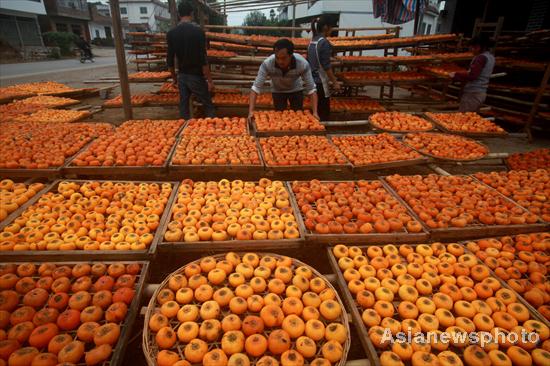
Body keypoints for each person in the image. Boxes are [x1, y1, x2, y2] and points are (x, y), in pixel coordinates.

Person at [166, 1, 215, 119]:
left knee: (184, 106)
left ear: (179, 14)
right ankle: (214, 129)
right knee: (207, 104)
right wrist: (209, 81)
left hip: (182, 76)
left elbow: (170, 59)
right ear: (192, 14)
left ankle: (185, 130)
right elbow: (203, 59)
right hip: (196, 76)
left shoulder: (171, 33)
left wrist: (174, 79)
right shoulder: (198, 32)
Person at [249, 38, 318, 119]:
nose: (280, 61)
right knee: (280, 117)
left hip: (296, 89)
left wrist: (315, 112)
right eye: (277, 58)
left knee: (297, 117)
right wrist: (251, 112)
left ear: (291, 55)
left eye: (284, 58)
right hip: (278, 90)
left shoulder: (302, 64)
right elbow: (255, 88)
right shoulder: (267, 64)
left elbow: (311, 89)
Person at [307, 15, 342, 121]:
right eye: (331, 28)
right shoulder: (324, 43)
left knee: (315, 110)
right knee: (323, 112)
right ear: (326, 27)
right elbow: (327, 66)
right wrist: (335, 82)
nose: (332, 31)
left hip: (311, 81)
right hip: (320, 82)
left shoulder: (312, 41)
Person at [451, 35, 495, 112]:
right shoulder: (491, 57)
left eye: (473, 47)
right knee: (469, 116)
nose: (471, 49)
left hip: (473, 93)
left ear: (479, 47)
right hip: (481, 92)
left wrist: (456, 74)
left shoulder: (480, 58)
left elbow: (473, 75)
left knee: (463, 117)